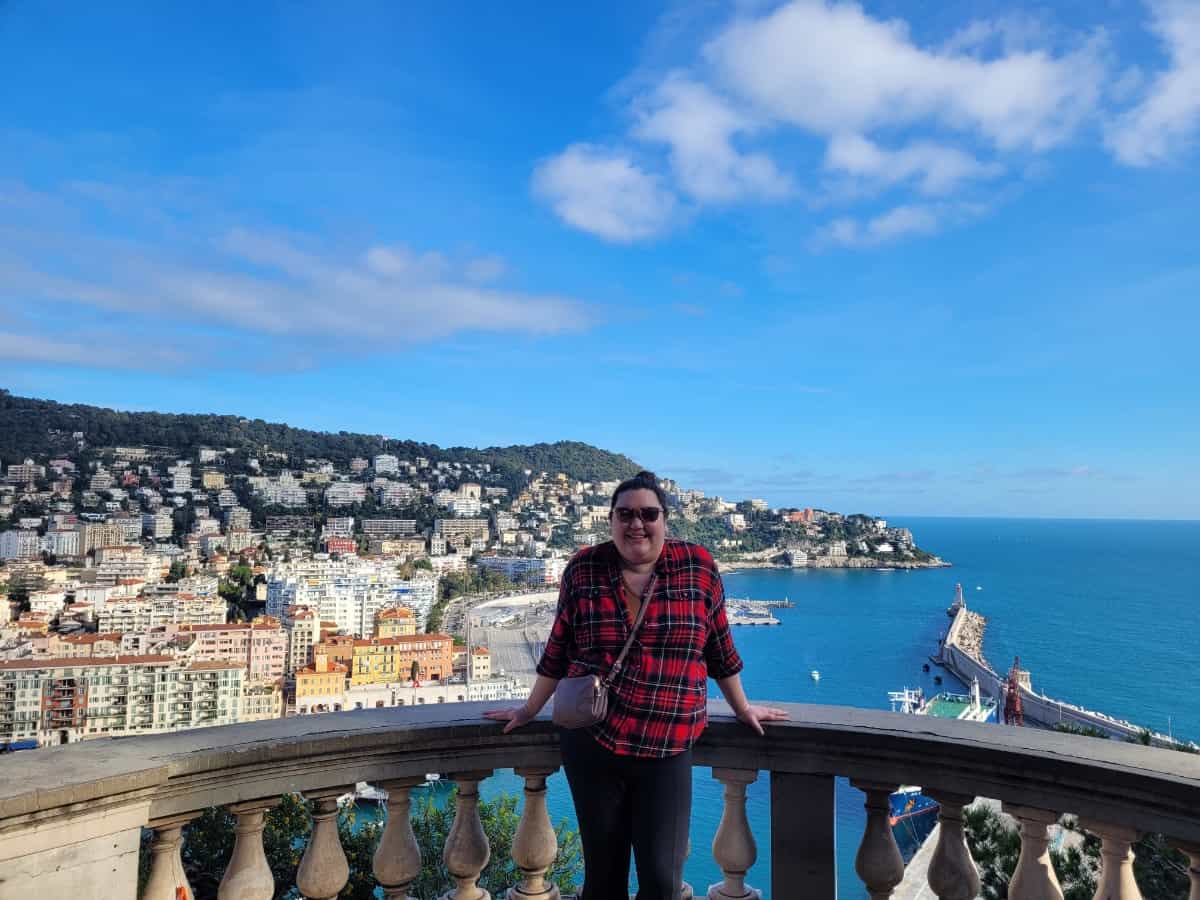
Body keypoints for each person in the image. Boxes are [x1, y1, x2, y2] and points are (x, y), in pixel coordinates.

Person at [484, 470, 788, 900]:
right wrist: (529, 710)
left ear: (666, 519)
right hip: (593, 743)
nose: (636, 524)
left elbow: (720, 649)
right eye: (625, 514)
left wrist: (742, 708)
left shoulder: (697, 567)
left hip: (667, 744)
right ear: (610, 520)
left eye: (648, 513)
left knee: (662, 882)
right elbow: (557, 650)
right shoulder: (584, 568)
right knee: (603, 880)